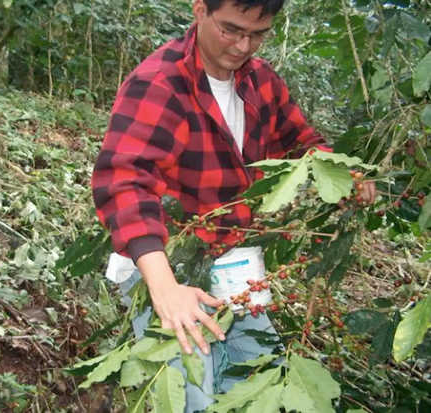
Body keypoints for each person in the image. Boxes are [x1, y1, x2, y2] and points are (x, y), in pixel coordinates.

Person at [92, 0, 375, 410]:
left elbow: (301, 143)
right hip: (167, 262)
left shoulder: (259, 81)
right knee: (195, 395)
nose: (243, 46)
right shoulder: (160, 82)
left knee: (262, 379)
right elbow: (124, 181)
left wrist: (342, 173)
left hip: (232, 258)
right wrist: (164, 286)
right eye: (230, 30)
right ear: (200, 10)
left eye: (257, 34)